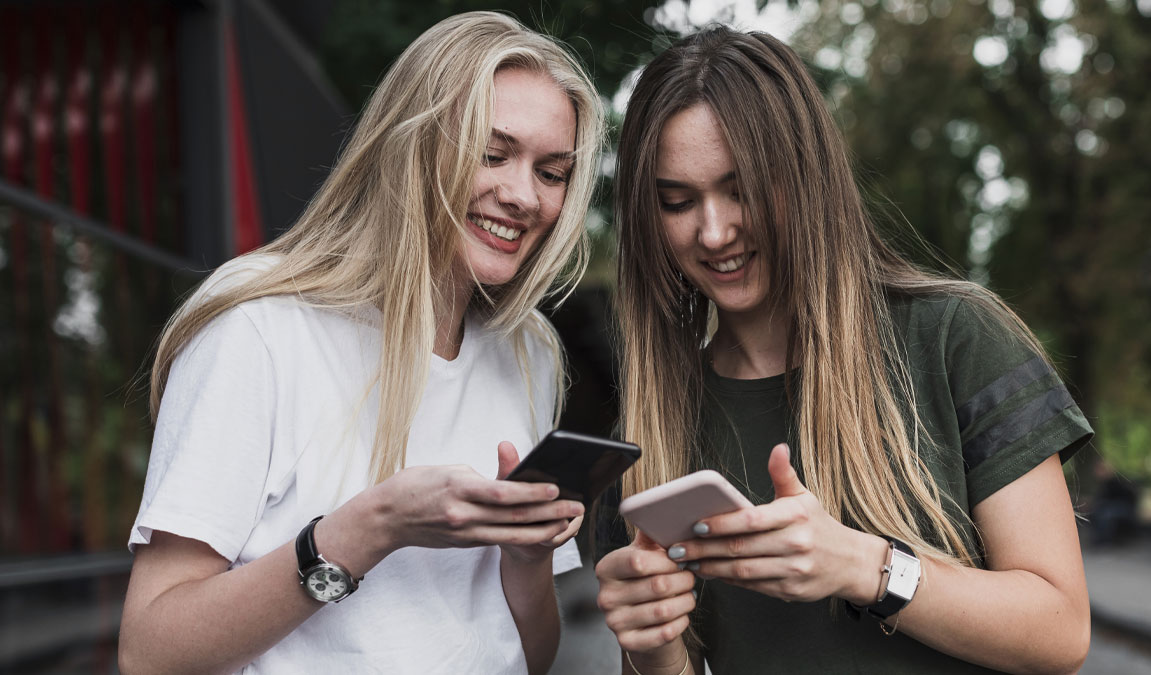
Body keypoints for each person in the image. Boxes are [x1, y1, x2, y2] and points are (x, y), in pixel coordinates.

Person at [594, 26, 1093, 675]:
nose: (713, 231)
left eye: (740, 186)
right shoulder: (646, 432)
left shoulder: (954, 337)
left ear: (804, 175)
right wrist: (653, 646)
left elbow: (1061, 631)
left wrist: (864, 566)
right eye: (677, 201)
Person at [118, 12, 604, 674]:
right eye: (491, 154)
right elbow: (151, 650)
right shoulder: (261, 326)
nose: (523, 195)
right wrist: (371, 527)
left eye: (552, 172)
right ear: (411, 142)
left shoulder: (530, 350)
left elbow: (530, 654)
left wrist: (527, 559)